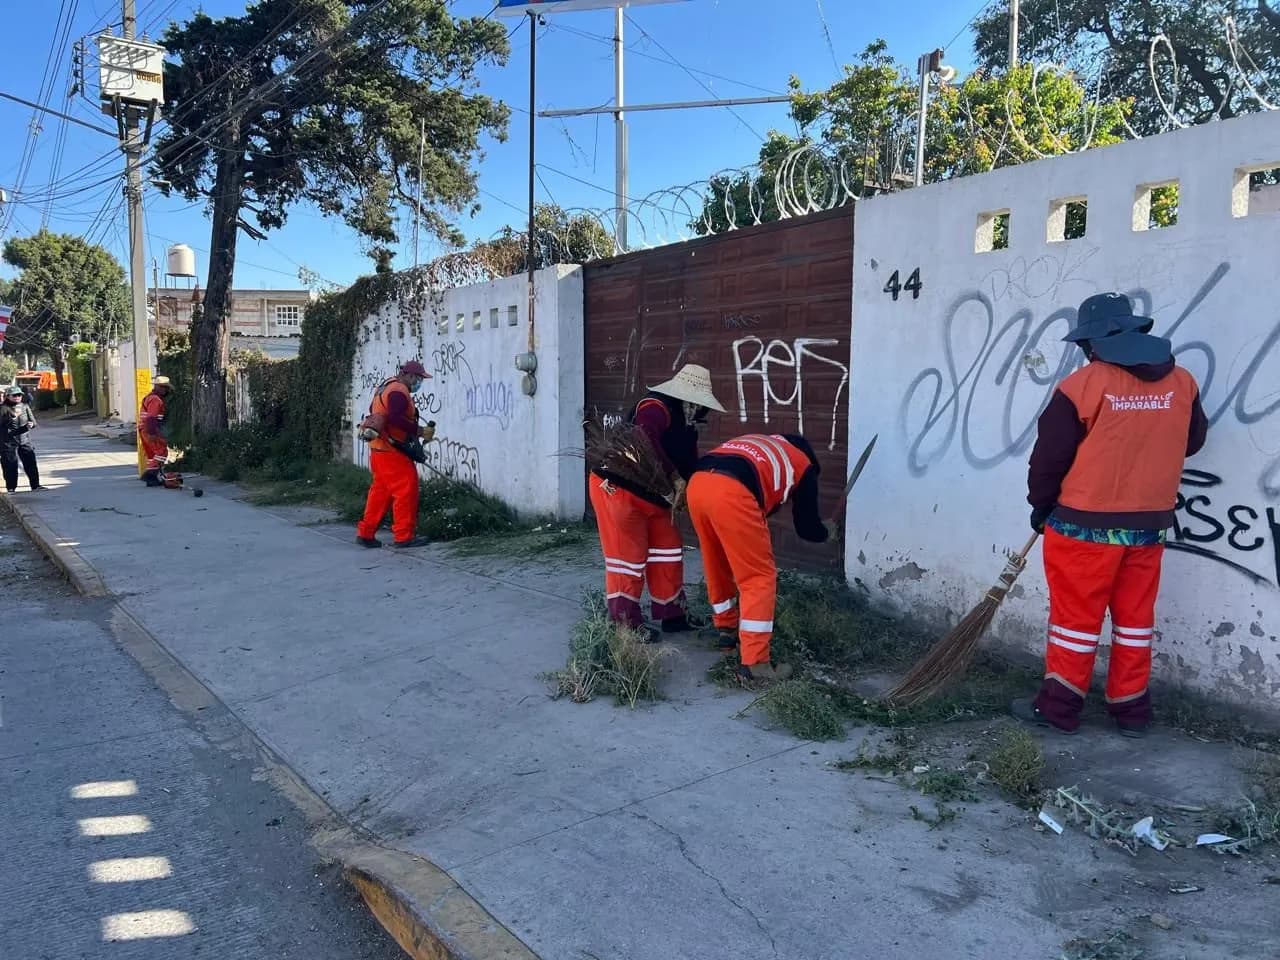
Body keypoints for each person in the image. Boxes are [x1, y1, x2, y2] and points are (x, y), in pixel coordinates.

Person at [1013, 292, 1208, 737]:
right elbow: (1192, 441)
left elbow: (1048, 460)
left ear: (1092, 343)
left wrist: (1040, 506)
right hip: (1150, 527)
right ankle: (1131, 711)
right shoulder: (1183, 382)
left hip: (1082, 528)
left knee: (1075, 623)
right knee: (1135, 621)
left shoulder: (1081, 387)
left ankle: (1060, 708)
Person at [590, 364, 725, 641]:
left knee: (668, 551)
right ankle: (624, 622)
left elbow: (689, 462)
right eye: (700, 405)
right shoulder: (656, 406)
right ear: (689, 398)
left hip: (654, 495)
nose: (703, 412)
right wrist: (675, 478)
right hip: (619, 488)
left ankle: (671, 613)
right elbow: (643, 436)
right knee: (628, 558)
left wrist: (694, 491)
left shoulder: (688, 424)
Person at [686, 432, 832, 682]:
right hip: (732, 492)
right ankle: (756, 663)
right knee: (758, 577)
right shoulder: (803, 464)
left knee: (716, 560)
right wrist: (827, 532)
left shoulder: (762, 444)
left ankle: (727, 629)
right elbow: (807, 528)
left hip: (698, 484)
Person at [356, 361, 435, 549]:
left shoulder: (386, 385)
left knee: (380, 492)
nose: (419, 383)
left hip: (378, 449)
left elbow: (373, 412)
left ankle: (366, 533)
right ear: (410, 376)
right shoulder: (399, 391)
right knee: (406, 489)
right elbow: (394, 418)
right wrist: (419, 431)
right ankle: (404, 536)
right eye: (419, 379)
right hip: (392, 451)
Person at [1, 385, 42, 492]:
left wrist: (31, 424)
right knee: (10, 465)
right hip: (8, 441)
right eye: (14, 395)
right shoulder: (3, 408)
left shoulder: (25, 406)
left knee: (30, 462)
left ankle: (35, 485)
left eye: (19, 395)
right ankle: (11, 488)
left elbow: (34, 422)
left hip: (24, 439)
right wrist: (12, 417)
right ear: (8, 396)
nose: (17, 397)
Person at [138, 376, 173, 486]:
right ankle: (150, 475)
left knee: (153, 454)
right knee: (162, 452)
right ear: (157, 387)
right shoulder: (155, 400)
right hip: (150, 428)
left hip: (145, 428)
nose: (165, 390)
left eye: (166, 388)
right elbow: (152, 417)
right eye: (163, 387)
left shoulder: (150, 397)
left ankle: (152, 479)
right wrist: (152, 433)